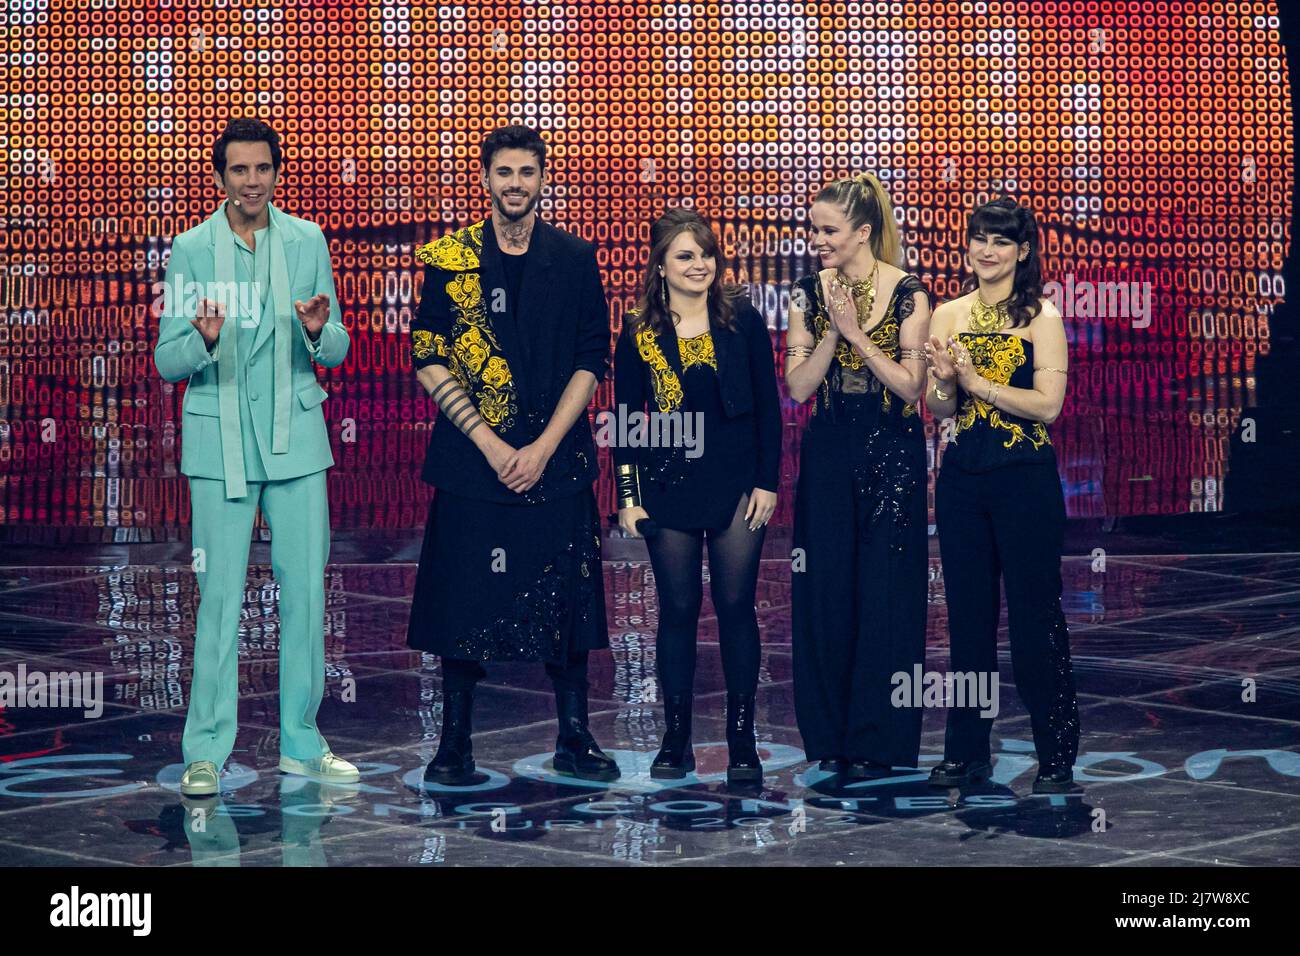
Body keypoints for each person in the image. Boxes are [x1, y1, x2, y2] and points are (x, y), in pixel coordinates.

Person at [407, 125, 617, 783]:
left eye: (527, 172)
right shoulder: (451, 258)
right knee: (461, 599)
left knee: (567, 599)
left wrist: (544, 447)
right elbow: (428, 353)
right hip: (475, 462)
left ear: (543, 179)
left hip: (555, 460)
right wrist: (494, 446)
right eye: (504, 173)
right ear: (485, 178)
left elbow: (592, 358)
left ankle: (574, 736)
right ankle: (454, 744)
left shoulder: (575, 257)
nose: (515, 184)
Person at [154, 117, 358, 796]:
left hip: (296, 443)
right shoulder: (189, 249)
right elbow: (166, 359)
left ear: (277, 172)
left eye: (262, 168)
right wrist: (204, 340)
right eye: (238, 170)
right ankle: (206, 751)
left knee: (305, 596)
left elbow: (337, 347)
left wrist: (315, 330)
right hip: (219, 448)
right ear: (220, 178)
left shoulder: (307, 241)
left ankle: (303, 742)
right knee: (218, 601)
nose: (251, 181)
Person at [612, 209, 782, 784]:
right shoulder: (637, 330)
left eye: (706, 254)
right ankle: (675, 738)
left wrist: (767, 481)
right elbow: (628, 422)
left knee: (736, 608)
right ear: (661, 265)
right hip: (666, 487)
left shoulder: (743, 321)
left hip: (736, 486)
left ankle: (742, 740)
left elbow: (768, 409)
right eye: (685, 255)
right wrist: (629, 498)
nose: (699, 265)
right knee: (679, 610)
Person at [924, 197, 1081, 794]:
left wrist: (975, 382)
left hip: (1025, 481)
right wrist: (943, 383)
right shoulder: (947, 313)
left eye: (1000, 241)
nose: (986, 251)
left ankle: (1056, 753)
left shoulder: (1042, 316)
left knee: (1035, 618)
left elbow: (1048, 406)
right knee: (968, 620)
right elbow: (938, 410)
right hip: (963, 478)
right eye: (978, 239)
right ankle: (967, 750)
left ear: (1022, 251)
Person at [785, 172, 931, 780]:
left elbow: (911, 387)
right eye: (814, 229)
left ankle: (884, 737)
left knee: (887, 591)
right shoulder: (806, 293)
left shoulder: (908, 292)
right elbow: (797, 388)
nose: (817, 240)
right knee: (827, 591)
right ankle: (831, 734)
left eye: (828, 230)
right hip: (828, 453)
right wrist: (829, 334)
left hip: (891, 451)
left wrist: (856, 337)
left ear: (863, 232)